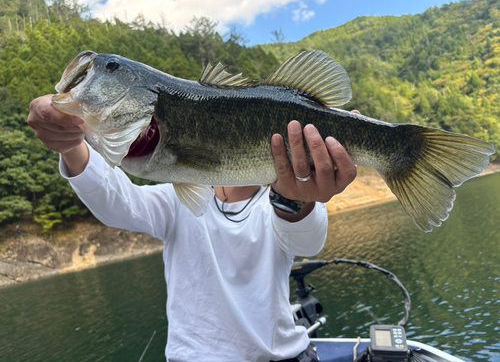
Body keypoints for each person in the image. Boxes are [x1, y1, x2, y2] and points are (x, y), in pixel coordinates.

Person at [28, 94, 359, 362]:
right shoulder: (176, 197)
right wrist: (70, 144)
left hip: (284, 355)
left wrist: (297, 200)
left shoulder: (280, 198)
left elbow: (308, 240)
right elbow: (118, 203)